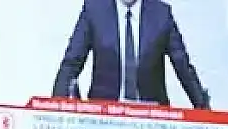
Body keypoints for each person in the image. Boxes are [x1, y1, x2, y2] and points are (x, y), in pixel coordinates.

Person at [51, 0, 208, 109]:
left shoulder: (161, 13)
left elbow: (183, 67)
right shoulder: (94, 10)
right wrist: (55, 112)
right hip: (105, 117)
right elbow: (71, 64)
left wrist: (203, 110)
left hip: (152, 117)